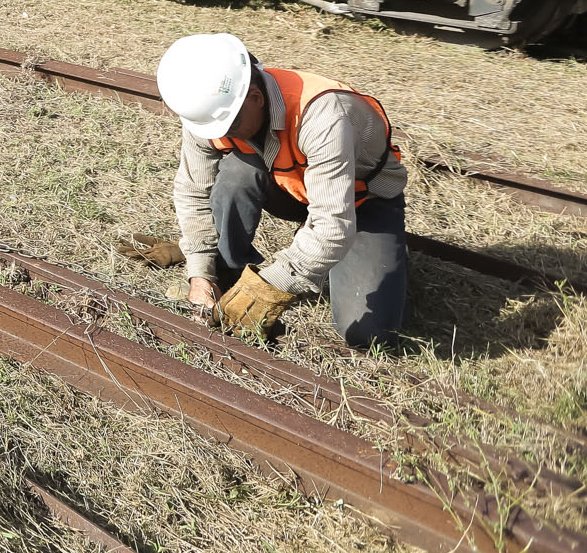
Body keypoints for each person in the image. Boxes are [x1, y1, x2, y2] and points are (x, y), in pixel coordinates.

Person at [157, 32, 409, 346]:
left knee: (369, 335)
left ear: (256, 98)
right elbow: (193, 190)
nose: (219, 135)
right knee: (236, 173)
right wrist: (200, 271)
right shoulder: (210, 110)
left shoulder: (322, 115)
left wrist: (267, 288)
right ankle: (227, 271)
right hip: (291, 187)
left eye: (229, 127)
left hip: (359, 202)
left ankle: (381, 253)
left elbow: (332, 227)